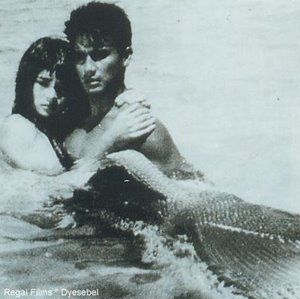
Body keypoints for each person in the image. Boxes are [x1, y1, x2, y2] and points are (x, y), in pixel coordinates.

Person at [63, 2, 202, 179]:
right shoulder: (73, 116)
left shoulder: (141, 128)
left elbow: (190, 187)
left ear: (126, 57)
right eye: (79, 57)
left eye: (100, 55)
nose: (88, 68)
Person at [0, 37, 89, 175]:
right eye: (43, 83)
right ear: (27, 82)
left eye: (61, 89)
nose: (52, 95)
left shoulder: (49, 131)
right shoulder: (17, 126)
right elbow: (53, 188)